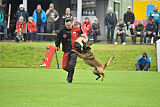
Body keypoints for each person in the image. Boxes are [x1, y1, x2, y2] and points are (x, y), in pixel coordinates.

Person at [55, 18, 83, 83]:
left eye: (69, 25)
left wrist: (83, 43)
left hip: (75, 50)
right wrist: (57, 45)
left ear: (72, 23)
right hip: (66, 50)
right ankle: (71, 71)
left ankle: (69, 79)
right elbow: (58, 38)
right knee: (64, 67)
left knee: (71, 64)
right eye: (66, 25)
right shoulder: (62, 30)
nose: (68, 27)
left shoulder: (77, 29)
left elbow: (83, 36)